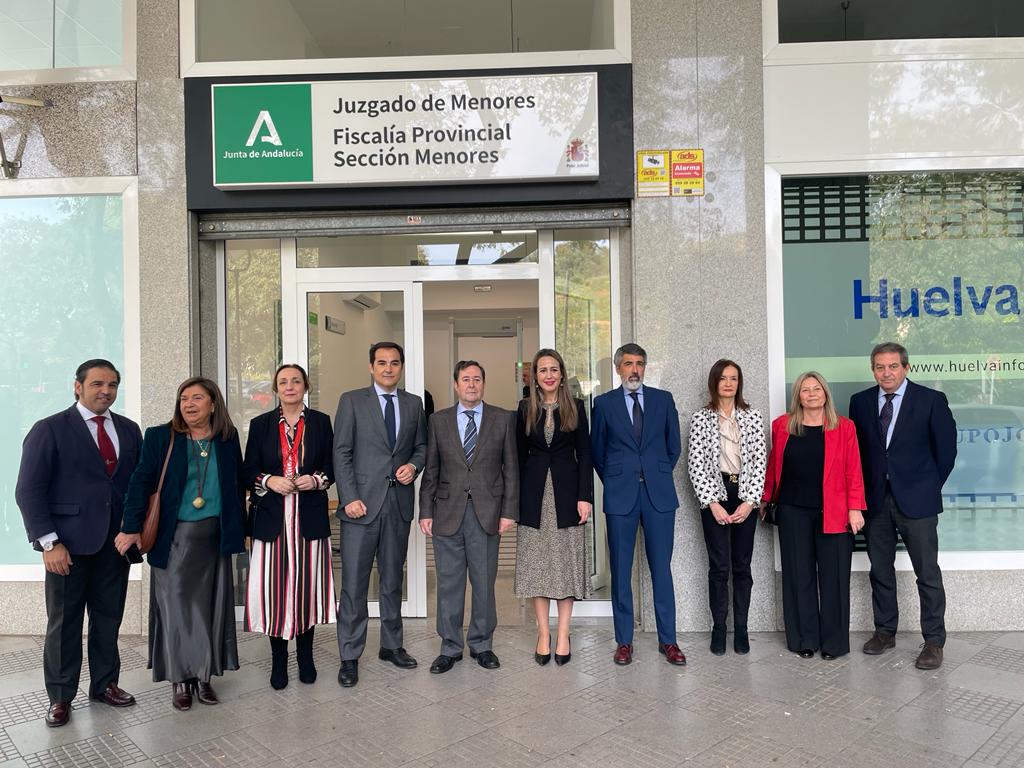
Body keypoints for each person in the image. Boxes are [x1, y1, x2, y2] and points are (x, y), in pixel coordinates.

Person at [15, 360, 142, 727]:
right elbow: (29, 490)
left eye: (112, 384)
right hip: (66, 547)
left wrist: (134, 529)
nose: (106, 390)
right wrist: (49, 543)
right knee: (64, 623)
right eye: (98, 383)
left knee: (108, 619)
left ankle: (105, 684)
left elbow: (138, 485)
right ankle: (60, 696)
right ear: (78, 386)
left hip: (115, 545)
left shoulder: (129, 430)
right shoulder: (50, 429)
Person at [116, 377, 245, 711]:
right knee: (176, 609)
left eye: (197, 398)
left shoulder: (227, 438)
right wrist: (131, 527)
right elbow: (141, 481)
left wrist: (242, 529)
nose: (189, 404)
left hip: (214, 538)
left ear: (213, 404)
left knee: (208, 609)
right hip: (173, 539)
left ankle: (204, 676)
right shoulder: (161, 436)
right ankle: (180, 679)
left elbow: (236, 485)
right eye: (184, 398)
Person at [848, 342, 957, 670]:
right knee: (880, 570)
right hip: (876, 501)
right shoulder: (860, 402)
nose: (887, 373)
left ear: (906, 368)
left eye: (893, 366)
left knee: (927, 573)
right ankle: (885, 632)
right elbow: (859, 453)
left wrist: (927, 487)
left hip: (918, 501)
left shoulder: (930, 400)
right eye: (880, 367)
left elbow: (946, 452)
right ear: (873, 370)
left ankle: (934, 641)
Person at [334, 341, 427, 688]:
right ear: (371, 367)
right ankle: (349, 655)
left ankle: (391, 646)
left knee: (391, 581)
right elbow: (341, 452)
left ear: (401, 367)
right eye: (382, 363)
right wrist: (349, 498)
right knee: (354, 585)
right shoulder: (352, 401)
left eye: (395, 363)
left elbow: (422, 447)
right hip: (360, 507)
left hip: (397, 504)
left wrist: (413, 467)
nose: (389, 368)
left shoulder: (414, 404)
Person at [419, 360, 518, 673]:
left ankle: (482, 644)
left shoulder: (503, 419)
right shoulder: (438, 421)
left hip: (487, 513)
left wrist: (509, 512)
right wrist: (425, 511)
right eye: (466, 379)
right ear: (456, 384)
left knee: (484, 583)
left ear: (484, 384)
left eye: (477, 379)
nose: (471, 384)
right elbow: (431, 470)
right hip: (446, 513)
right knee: (449, 584)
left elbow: (511, 469)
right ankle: (449, 647)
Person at [243, 364, 336, 690]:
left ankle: (306, 657)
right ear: (276, 388)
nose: (290, 386)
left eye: (296, 381)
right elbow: (248, 470)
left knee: (307, 590)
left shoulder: (321, 422)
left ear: (305, 386)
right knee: (275, 593)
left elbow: (332, 466)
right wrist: (270, 480)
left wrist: (316, 480)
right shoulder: (260, 424)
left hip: (309, 519)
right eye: (283, 382)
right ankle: (279, 660)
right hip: (272, 521)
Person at [590, 343, 684, 666]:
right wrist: (618, 478)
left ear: (645, 367)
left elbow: (673, 447)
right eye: (628, 363)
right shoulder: (604, 404)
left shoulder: (663, 400)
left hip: (659, 495)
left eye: (640, 363)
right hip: (620, 496)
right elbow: (597, 452)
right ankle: (624, 641)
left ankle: (668, 641)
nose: (634, 369)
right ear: (618, 368)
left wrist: (655, 473)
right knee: (620, 570)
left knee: (662, 569)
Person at [762, 372, 866, 660]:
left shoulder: (844, 427)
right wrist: (765, 498)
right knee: (798, 576)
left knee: (834, 578)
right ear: (798, 396)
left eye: (816, 389)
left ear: (825, 393)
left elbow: (854, 469)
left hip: (834, 512)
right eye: (805, 390)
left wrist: (855, 507)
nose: (811, 394)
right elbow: (774, 465)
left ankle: (834, 644)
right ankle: (803, 639)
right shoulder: (782, 426)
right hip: (793, 511)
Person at [514, 349, 594, 666]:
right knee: (538, 567)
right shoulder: (524, 409)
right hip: (534, 497)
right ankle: (543, 634)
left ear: (561, 375)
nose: (548, 375)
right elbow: (517, 457)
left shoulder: (576, 407)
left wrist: (585, 496)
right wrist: (514, 501)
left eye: (553, 369)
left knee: (565, 566)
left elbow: (585, 455)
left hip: (567, 496)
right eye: (542, 370)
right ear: (535, 376)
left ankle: (563, 634)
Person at [687, 359, 766, 656]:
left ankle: (741, 629)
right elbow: (695, 464)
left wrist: (750, 501)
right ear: (714, 382)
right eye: (723, 378)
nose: (729, 383)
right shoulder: (701, 418)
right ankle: (719, 628)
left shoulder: (752, 416)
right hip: (715, 493)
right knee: (719, 567)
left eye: (734, 378)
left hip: (744, 493)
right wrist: (712, 504)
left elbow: (760, 461)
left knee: (742, 566)